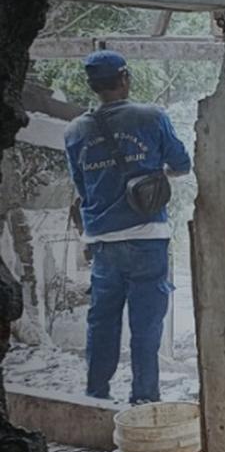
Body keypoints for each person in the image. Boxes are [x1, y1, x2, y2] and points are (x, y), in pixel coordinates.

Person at [64, 50, 192, 404]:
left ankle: (95, 397)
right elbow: (182, 165)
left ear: (92, 86)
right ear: (124, 78)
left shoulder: (75, 131)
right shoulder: (150, 117)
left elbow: (81, 186)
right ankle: (144, 401)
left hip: (103, 243)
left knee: (102, 324)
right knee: (146, 327)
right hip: (148, 238)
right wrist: (154, 178)